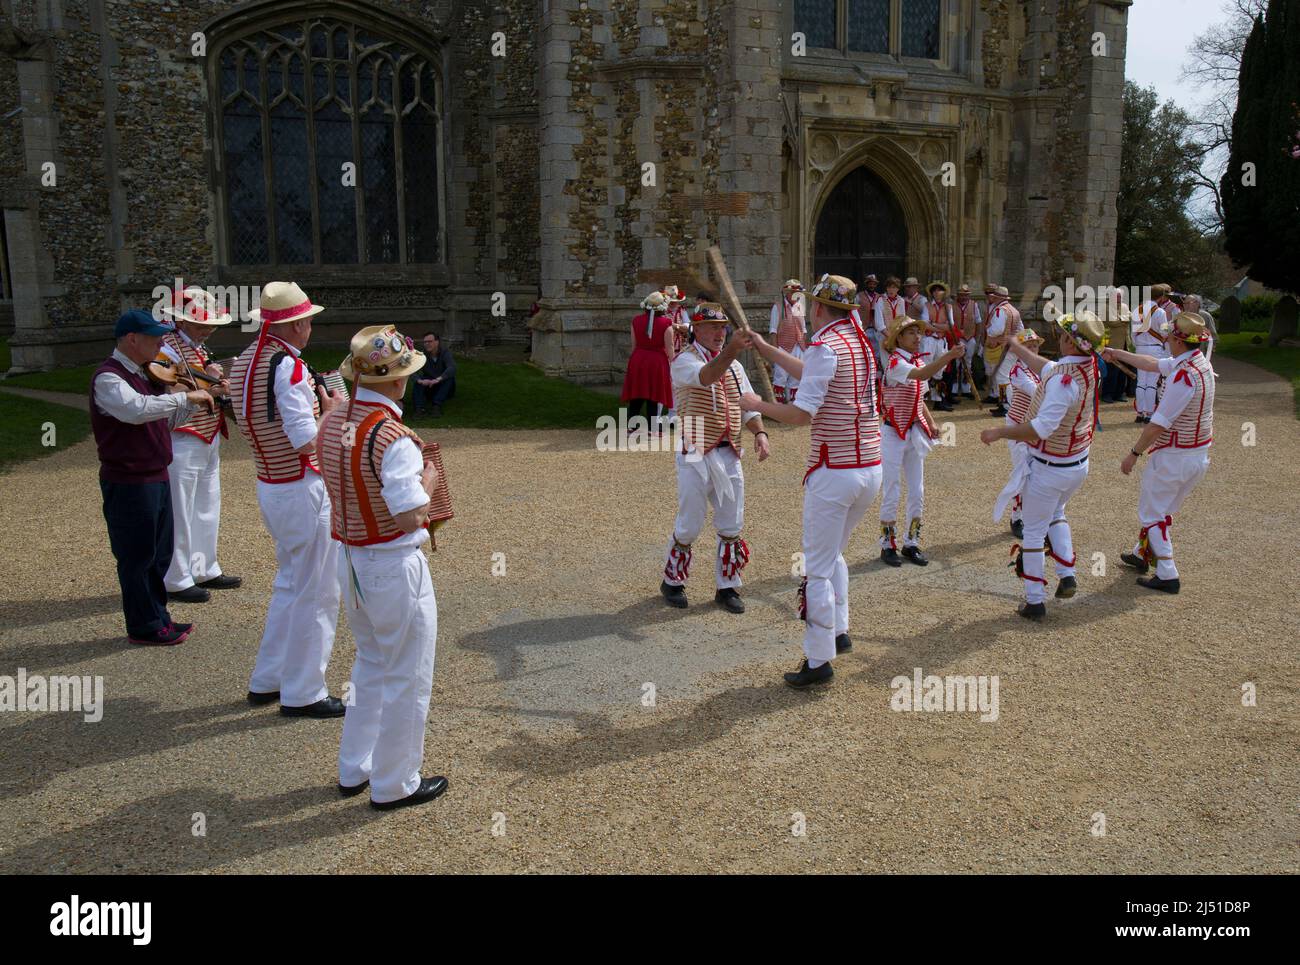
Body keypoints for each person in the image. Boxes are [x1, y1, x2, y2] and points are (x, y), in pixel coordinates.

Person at [318, 324, 449, 811]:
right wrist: (430, 482)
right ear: (397, 382)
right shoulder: (393, 438)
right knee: (407, 674)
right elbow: (410, 514)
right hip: (391, 561)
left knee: (371, 663)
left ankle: (356, 766)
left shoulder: (332, 422)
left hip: (348, 556)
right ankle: (395, 783)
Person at [742, 275, 881, 688]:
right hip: (870, 467)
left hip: (834, 470)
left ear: (818, 308)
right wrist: (769, 350)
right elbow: (816, 374)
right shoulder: (859, 343)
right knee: (834, 553)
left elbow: (803, 414)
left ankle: (818, 660)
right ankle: (839, 630)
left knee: (816, 569)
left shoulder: (825, 345)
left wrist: (758, 405)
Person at [229, 281, 346, 718]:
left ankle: (269, 677)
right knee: (317, 590)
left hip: (270, 480)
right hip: (300, 485)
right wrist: (332, 412)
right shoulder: (290, 368)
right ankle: (304, 690)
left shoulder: (246, 360)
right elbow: (304, 441)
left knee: (291, 583)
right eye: (308, 320)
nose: (312, 327)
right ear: (296, 325)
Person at [91, 309, 214, 646]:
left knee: (159, 553)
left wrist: (192, 403)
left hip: (155, 475)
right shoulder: (109, 378)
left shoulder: (145, 376)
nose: (162, 342)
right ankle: (144, 626)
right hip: (129, 480)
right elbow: (136, 411)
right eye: (153, 336)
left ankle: (158, 617)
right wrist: (182, 396)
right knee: (136, 556)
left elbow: (162, 423)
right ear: (132, 339)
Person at [979, 311, 1105, 620]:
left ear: (1068, 341)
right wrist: (1014, 345)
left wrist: (1000, 432)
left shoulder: (1063, 382)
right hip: (1076, 463)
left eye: (1062, 335)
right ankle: (1067, 572)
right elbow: (1047, 366)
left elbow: (1040, 428)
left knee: (1033, 532)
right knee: (1057, 515)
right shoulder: (1087, 368)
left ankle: (1035, 600)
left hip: (1052, 465)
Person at [660, 304, 770, 614]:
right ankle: (672, 581)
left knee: (732, 522)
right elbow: (707, 377)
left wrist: (760, 433)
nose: (719, 333)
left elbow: (747, 405)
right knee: (690, 524)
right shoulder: (684, 362)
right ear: (695, 328)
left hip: (730, 451)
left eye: (723, 327)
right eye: (712, 327)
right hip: (695, 454)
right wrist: (734, 349)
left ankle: (727, 587)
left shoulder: (734, 367)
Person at [1104, 312, 1215, 594]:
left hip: (1176, 456)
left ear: (1178, 340)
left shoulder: (1183, 376)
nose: (1165, 337)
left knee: (1152, 512)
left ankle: (1167, 571)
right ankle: (1142, 554)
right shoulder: (1197, 363)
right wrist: (1117, 353)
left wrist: (1134, 453)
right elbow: (1153, 364)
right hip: (1196, 454)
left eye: (1169, 335)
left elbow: (1158, 424)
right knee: (1163, 509)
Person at [157, 287, 240, 604]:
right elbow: (172, 390)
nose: (208, 328)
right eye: (201, 322)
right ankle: (176, 577)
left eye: (210, 323)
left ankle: (204, 566)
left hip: (207, 434)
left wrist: (216, 383)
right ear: (181, 321)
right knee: (180, 508)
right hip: (182, 436)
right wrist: (211, 383)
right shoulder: (168, 348)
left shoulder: (197, 348)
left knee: (207, 503)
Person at [878, 315, 964, 566]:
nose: (918, 337)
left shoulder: (915, 360)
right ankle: (887, 544)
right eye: (911, 333)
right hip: (892, 432)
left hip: (913, 430)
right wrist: (948, 356)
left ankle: (911, 542)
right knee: (892, 488)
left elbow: (920, 398)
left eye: (919, 333)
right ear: (898, 339)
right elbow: (921, 374)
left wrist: (932, 423)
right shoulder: (895, 363)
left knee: (917, 489)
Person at [992, 328, 1045, 539]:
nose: (1033, 350)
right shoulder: (1018, 372)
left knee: (1035, 473)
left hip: (1033, 427)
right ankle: (1016, 518)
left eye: (1035, 346)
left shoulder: (1038, 369)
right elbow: (1036, 392)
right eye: (1028, 347)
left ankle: (1030, 515)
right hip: (1017, 427)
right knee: (1023, 471)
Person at [620, 290, 676, 432]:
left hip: (638, 359)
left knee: (637, 393)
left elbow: (634, 345)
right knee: (654, 394)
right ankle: (652, 428)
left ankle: (632, 425)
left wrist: (635, 362)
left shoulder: (635, 321)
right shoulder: (666, 323)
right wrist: (674, 364)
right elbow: (670, 348)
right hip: (657, 361)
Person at [1132, 283, 1177, 423]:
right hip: (1155, 348)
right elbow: (1164, 333)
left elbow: (1133, 334)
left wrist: (1138, 344)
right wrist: (1170, 327)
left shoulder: (1136, 310)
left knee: (1140, 381)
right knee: (1151, 382)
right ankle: (1149, 414)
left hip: (1140, 347)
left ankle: (1139, 413)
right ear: (1161, 297)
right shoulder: (1160, 312)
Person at [984, 285, 1022, 416]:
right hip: (1012, 347)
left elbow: (996, 330)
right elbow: (1020, 329)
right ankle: (1004, 403)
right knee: (1005, 376)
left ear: (996, 297)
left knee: (1002, 377)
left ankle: (1006, 406)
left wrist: (987, 329)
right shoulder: (1014, 310)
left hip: (1003, 347)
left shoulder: (1000, 310)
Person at [768, 279, 806, 403]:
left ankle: (793, 404)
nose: (797, 296)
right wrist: (775, 352)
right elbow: (773, 331)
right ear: (787, 293)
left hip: (798, 346)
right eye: (794, 292)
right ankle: (778, 405)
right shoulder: (778, 307)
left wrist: (803, 347)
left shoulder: (799, 307)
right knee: (781, 376)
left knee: (796, 376)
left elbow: (803, 329)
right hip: (783, 347)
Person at [924, 281, 955, 411]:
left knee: (940, 370)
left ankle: (938, 400)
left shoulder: (948, 307)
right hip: (928, 340)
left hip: (941, 341)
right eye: (935, 290)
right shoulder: (926, 305)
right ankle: (922, 399)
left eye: (940, 290)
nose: (937, 292)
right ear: (932, 293)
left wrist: (934, 324)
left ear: (944, 293)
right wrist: (940, 326)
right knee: (925, 368)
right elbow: (924, 323)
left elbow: (951, 326)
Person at [411, 333, 457, 417]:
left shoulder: (445, 353)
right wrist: (420, 381)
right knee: (419, 380)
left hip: (443, 386)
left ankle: (436, 406)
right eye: (425, 342)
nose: (427, 344)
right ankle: (419, 409)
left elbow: (452, 368)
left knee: (449, 378)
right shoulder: (422, 355)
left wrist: (438, 379)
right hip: (429, 386)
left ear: (437, 342)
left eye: (430, 341)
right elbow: (412, 371)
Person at [1101, 289, 1132, 403]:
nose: (1119, 299)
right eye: (1116, 296)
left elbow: (1129, 316)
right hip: (1112, 343)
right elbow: (1112, 322)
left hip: (1124, 343)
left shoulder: (1124, 306)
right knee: (1111, 371)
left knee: (1122, 370)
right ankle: (1107, 394)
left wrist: (1123, 319)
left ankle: (1119, 394)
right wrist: (1124, 319)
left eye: (1120, 296)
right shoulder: (1106, 307)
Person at [950, 283, 981, 400]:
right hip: (957, 339)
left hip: (970, 338)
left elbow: (978, 322)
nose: (963, 297)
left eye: (965, 295)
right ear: (958, 295)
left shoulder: (974, 305)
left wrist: (977, 338)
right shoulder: (952, 306)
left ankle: (966, 388)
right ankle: (953, 388)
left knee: (967, 364)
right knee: (956, 363)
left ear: (969, 296)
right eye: (961, 295)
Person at [872, 276, 907, 370]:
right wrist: (891, 336)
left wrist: (898, 336)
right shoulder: (880, 300)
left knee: (898, 362)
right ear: (886, 288)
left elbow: (903, 320)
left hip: (898, 337)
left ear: (898, 289)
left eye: (894, 287)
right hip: (885, 336)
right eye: (889, 287)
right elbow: (879, 324)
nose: (891, 290)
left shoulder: (901, 301)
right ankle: (886, 383)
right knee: (886, 363)